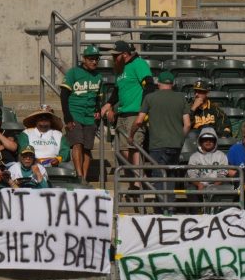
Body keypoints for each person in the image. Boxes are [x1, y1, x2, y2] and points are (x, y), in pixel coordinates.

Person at [131, 71, 190, 212]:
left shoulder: (150, 98)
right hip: (175, 145)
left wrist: (131, 134)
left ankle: (164, 210)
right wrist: (180, 139)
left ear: (158, 83)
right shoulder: (181, 98)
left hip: (157, 145)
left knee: (158, 177)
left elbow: (139, 121)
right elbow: (187, 124)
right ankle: (169, 207)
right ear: (173, 84)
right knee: (170, 177)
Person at [100, 40, 154, 173]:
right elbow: (117, 91)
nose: (113, 58)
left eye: (115, 55)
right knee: (123, 149)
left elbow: (149, 85)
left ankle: (138, 183)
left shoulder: (138, 64)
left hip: (135, 113)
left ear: (124, 54)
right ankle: (135, 180)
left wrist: (143, 111)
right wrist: (108, 104)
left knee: (134, 148)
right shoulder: (121, 68)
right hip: (122, 114)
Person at [60, 45, 103, 181]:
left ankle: (84, 178)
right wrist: (67, 117)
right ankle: (79, 175)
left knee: (87, 148)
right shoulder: (73, 73)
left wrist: (97, 109)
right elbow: (64, 95)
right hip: (75, 114)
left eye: (96, 59)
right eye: (91, 59)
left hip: (90, 117)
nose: (94, 62)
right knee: (77, 144)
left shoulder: (99, 76)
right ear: (84, 59)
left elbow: (98, 98)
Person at [187, 127, 234, 210]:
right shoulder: (194, 157)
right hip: (200, 184)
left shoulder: (221, 155)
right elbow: (192, 173)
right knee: (191, 189)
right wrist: (198, 184)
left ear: (215, 141)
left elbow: (223, 173)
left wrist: (215, 185)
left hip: (218, 183)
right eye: (205, 139)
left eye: (211, 139)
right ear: (200, 141)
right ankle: (196, 215)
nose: (208, 141)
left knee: (227, 186)